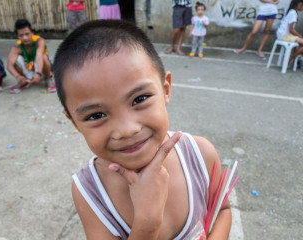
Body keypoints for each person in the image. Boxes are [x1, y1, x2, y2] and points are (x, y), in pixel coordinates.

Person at [53, 20, 232, 239]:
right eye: (96, 115)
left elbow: (222, 210)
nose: (126, 130)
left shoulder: (201, 153)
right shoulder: (89, 191)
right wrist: (148, 221)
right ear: (74, 123)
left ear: (166, 89)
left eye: (140, 99)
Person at [7, 19, 56, 94]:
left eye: (27, 34)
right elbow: (9, 65)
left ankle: (48, 79)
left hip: (41, 70)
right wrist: (18, 76)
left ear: (32, 33)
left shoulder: (40, 41)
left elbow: (39, 56)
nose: (25, 38)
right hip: (29, 71)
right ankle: (24, 81)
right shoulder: (16, 48)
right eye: (21, 35)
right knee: (15, 60)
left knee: (43, 56)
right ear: (18, 36)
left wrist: (38, 74)